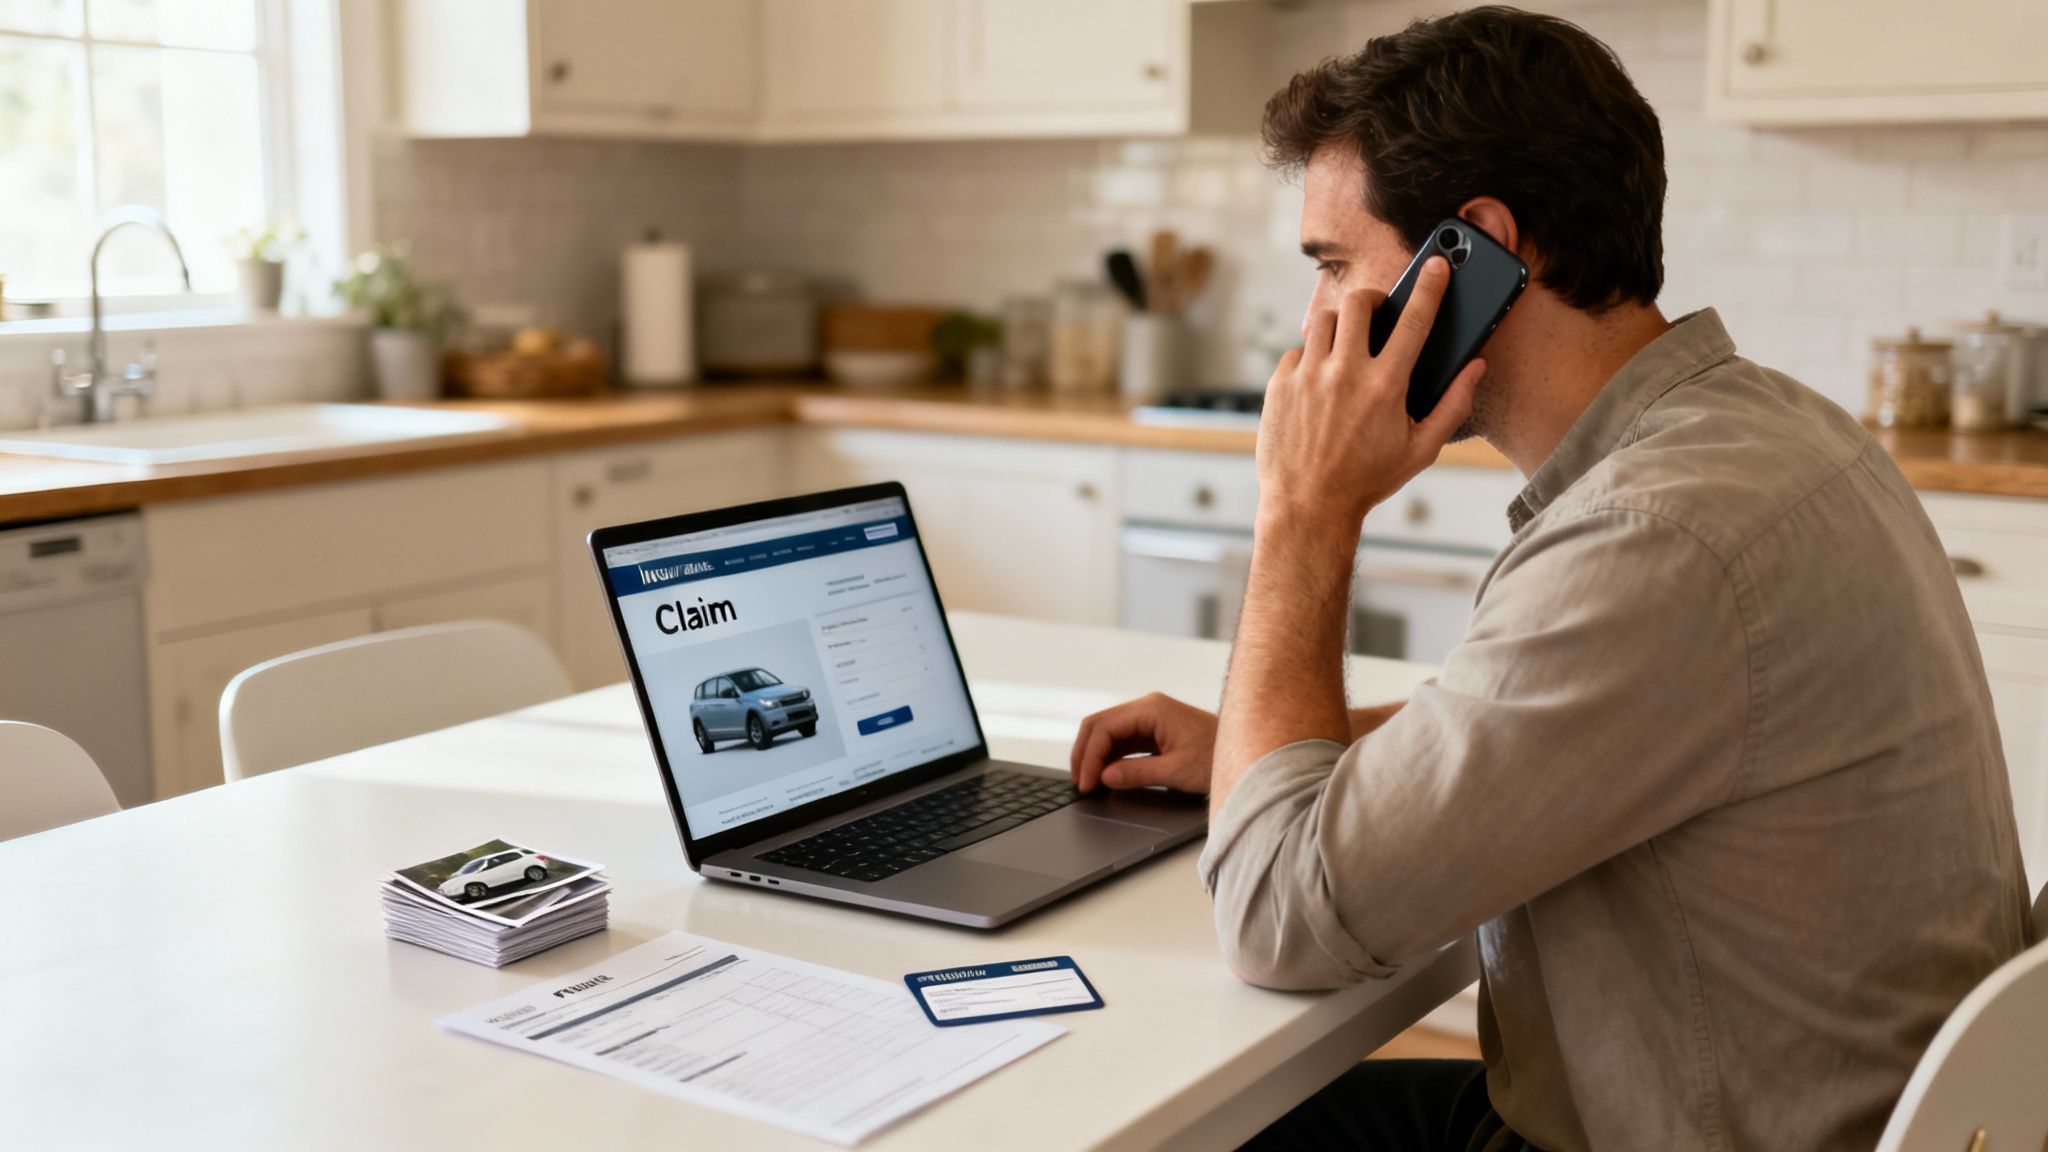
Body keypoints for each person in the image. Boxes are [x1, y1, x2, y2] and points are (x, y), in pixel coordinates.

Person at [1067, 8, 2032, 1151]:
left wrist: (1299, 513)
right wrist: (1256, 740)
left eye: (1332, 265)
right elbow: (1578, 727)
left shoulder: (1653, 533)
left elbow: (1278, 917)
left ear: (1469, 250)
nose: (1313, 323)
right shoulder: (1769, 433)